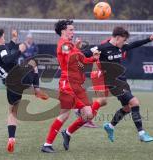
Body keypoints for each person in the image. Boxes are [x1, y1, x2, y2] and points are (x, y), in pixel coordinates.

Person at [84, 27, 153, 142]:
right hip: (113, 83)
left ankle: (110, 126)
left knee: (127, 108)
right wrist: (74, 51)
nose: (125, 43)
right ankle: (142, 133)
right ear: (118, 38)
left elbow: (134, 44)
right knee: (134, 102)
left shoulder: (122, 47)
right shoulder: (102, 48)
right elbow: (84, 54)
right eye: (124, 40)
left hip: (122, 81)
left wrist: (149, 39)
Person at [41, 19, 106, 153]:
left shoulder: (70, 45)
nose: (73, 31)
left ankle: (67, 132)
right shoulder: (63, 45)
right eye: (71, 29)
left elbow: (81, 61)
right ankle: (47, 144)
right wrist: (81, 50)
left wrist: (93, 58)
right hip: (67, 84)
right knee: (64, 115)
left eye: (73, 29)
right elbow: (72, 56)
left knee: (88, 115)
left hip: (77, 85)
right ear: (63, 31)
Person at [0, 29, 48, 153]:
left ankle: (11, 138)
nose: (4, 40)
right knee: (33, 63)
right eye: (3, 38)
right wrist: (21, 50)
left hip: (9, 85)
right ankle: (37, 90)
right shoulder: (1, 50)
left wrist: (14, 39)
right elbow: (7, 59)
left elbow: (6, 50)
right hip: (19, 77)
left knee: (12, 112)